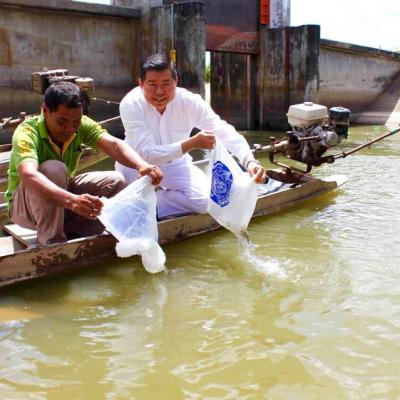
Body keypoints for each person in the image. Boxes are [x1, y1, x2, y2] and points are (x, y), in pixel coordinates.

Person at [5, 81, 163, 245]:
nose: (69, 128)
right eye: (62, 121)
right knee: (54, 169)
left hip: (63, 201)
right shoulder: (27, 132)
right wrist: (71, 200)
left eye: (75, 123)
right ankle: (52, 243)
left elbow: (114, 145)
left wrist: (141, 165)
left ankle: (76, 232)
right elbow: (29, 175)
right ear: (45, 110)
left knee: (116, 181)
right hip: (25, 208)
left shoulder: (81, 124)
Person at [116, 53, 266, 218]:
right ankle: (143, 201)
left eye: (166, 83)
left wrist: (249, 161)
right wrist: (192, 143)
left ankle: (151, 203)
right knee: (125, 188)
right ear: (141, 84)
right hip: (136, 165)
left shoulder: (189, 101)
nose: (159, 92)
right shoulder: (131, 104)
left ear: (176, 81)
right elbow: (147, 153)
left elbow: (222, 130)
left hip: (176, 164)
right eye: (152, 84)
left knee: (205, 202)